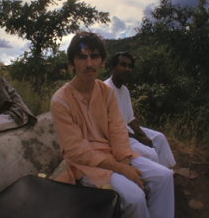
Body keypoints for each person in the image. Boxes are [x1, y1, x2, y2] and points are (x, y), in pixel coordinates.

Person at [50, 31, 174, 218]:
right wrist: (121, 169)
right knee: (135, 198)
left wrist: (125, 163)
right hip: (86, 164)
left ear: (103, 62)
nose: (89, 63)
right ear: (71, 63)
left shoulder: (106, 91)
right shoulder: (61, 101)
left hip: (114, 153)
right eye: (82, 57)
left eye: (95, 56)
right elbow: (76, 150)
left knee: (164, 177)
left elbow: (117, 131)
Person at [104, 52, 176, 168]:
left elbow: (130, 119)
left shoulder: (125, 90)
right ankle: (155, 179)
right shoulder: (105, 89)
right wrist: (139, 138)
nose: (127, 69)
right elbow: (108, 128)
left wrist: (142, 134)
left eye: (130, 66)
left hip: (126, 130)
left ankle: (166, 171)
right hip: (115, 136)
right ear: (113, 67)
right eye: (123, 65)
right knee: (151, 154)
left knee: (160, 138)